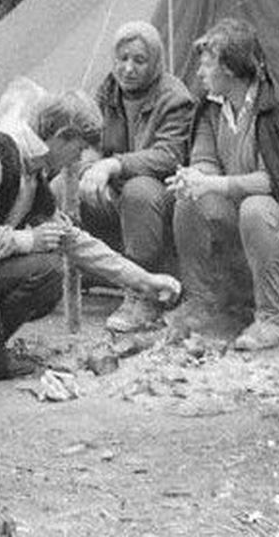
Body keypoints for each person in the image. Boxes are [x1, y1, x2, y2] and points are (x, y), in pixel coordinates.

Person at [0, 85, 181, 385]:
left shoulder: (33, 172)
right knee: (46, 271)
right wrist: (27, 240)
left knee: (48, 268)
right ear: (62, 135)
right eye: (76, 150)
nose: (74, 161)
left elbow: (73, 240)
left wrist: (145, 280)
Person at [168, 17, 279, 351]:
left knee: (255, 209)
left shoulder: (277, 109)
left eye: (207, 65)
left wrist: (214, 184)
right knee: (188, 202)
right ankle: (204, 303)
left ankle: (271, 319)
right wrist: (194, 178)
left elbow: (270, 180)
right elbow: (204, 158)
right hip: (232, 210)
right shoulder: (213, 109)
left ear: (229, 69)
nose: (200, 73)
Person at [53, 21, 194, 333]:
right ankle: (52, 278)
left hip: (161, 196)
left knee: (139, 191)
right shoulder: (108, 89)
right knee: (61, 185)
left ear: (155, 62)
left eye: (139, 61)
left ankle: (143, 295)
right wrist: (89, 166)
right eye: (122, 59)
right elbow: (89, 138)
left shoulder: (174, 98)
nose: (128, 69)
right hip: (114, 190)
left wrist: (112, 165)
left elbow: (169, 156)